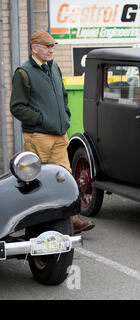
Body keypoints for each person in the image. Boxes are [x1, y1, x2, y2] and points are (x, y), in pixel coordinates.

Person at [9, 31, 95, 234]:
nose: (51, 50)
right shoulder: (23, 72)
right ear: (34, 48)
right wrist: (41, 119)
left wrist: (64, 115)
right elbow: (17, 107)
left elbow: (63, 95)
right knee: (37, 182)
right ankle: (35, 225)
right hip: (38, 137)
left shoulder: (54, 67)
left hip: (59, 136)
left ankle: (72, 219)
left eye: (52, 47)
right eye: (47, 47)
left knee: (64, 179)